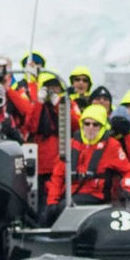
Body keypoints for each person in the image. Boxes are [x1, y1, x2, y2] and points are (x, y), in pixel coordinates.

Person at [45, 105, 130, 221]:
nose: (91, 128)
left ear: (102, 126)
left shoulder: (112, 146)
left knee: (64, 207)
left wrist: (127, 189)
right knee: (48, 214)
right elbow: (58, 176)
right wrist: (52, 201)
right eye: (87, 124)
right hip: (70, 194)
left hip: (96, 195)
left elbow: (128, 171)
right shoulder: (72, 145)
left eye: (95, 124)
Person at [22, 71, 80, 202]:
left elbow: (75, 124)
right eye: (48, 87)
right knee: (41, 195)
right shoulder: (35, 105)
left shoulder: (67, 104)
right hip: (41, 162)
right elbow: (31, 126)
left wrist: (59, 104)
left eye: (55, 87)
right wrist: (39, 102)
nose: (51, 90)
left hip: (62, 158)